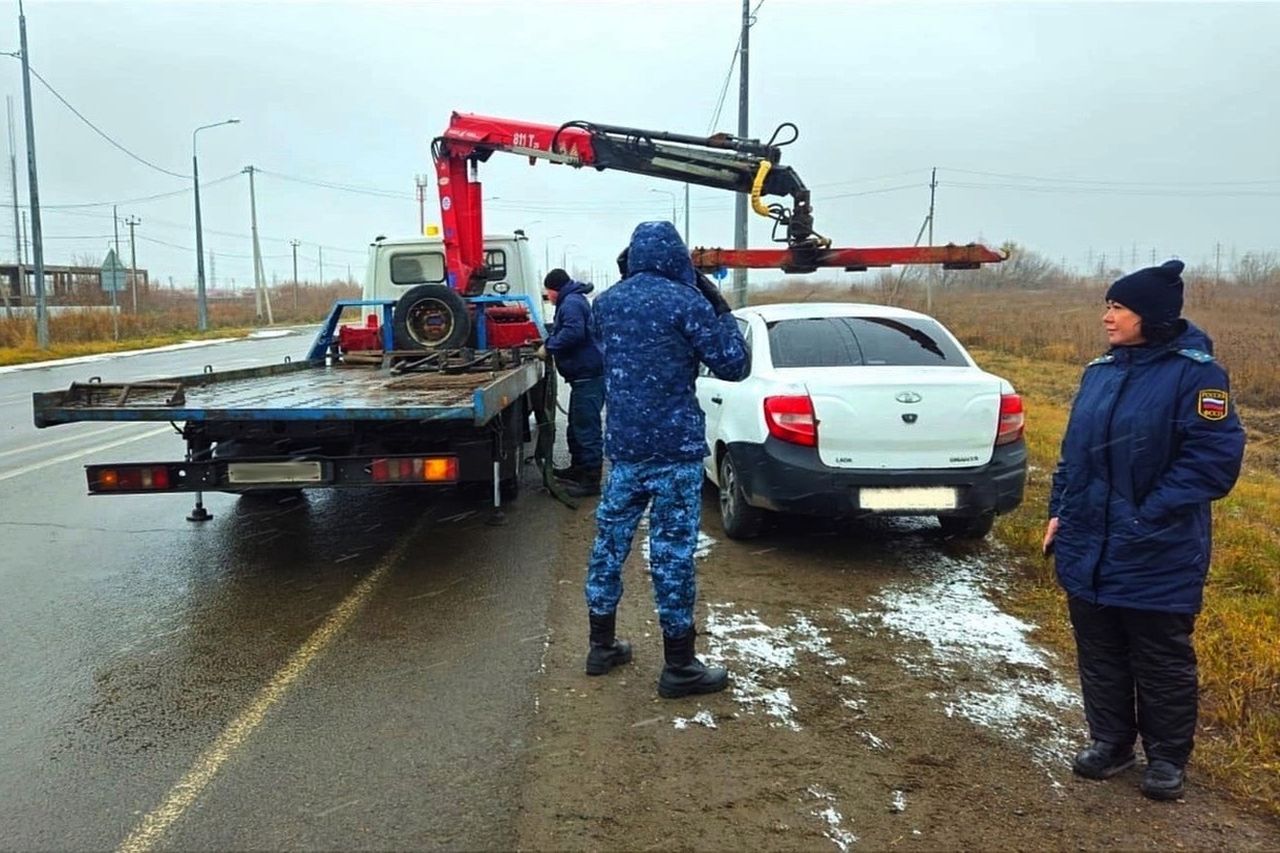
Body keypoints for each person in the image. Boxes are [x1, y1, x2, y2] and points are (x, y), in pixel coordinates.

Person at [1043, 259, 1245, 801]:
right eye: (1107, 306)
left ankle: (1166, 760)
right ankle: (1110, 743)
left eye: (1119, 307)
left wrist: (1145, 514)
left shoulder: (1197, 374)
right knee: (1100, 650)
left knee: (1159, 656)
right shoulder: (1101, 371)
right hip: (1087, 538)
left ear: (1150, 316)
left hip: (1157, 545)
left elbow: (1212, 462)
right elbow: (1073, 455)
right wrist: (1059, 511)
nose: (1107, 317)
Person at [582, 220, 749, 698]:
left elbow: (602, 356)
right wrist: (718, 307)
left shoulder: (606, 304)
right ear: (678, 258)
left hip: (625, 450)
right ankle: (679, 666)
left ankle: (601, 645)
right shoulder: (688, 302)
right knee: (672, 554)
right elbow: (734, 364)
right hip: (674, 452)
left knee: (609, 546)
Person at [541, 268, 605, 497]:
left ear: (555, 289)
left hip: (588, 375)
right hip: (584, 375)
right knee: (577, 426)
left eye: (548, 291)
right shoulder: (572, 301)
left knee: (586, 428)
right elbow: (567, 329)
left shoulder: (570, 304)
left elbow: (574, 333)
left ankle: (590, 481)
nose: (547, 296)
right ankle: (578, 469)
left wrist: (549, 346)